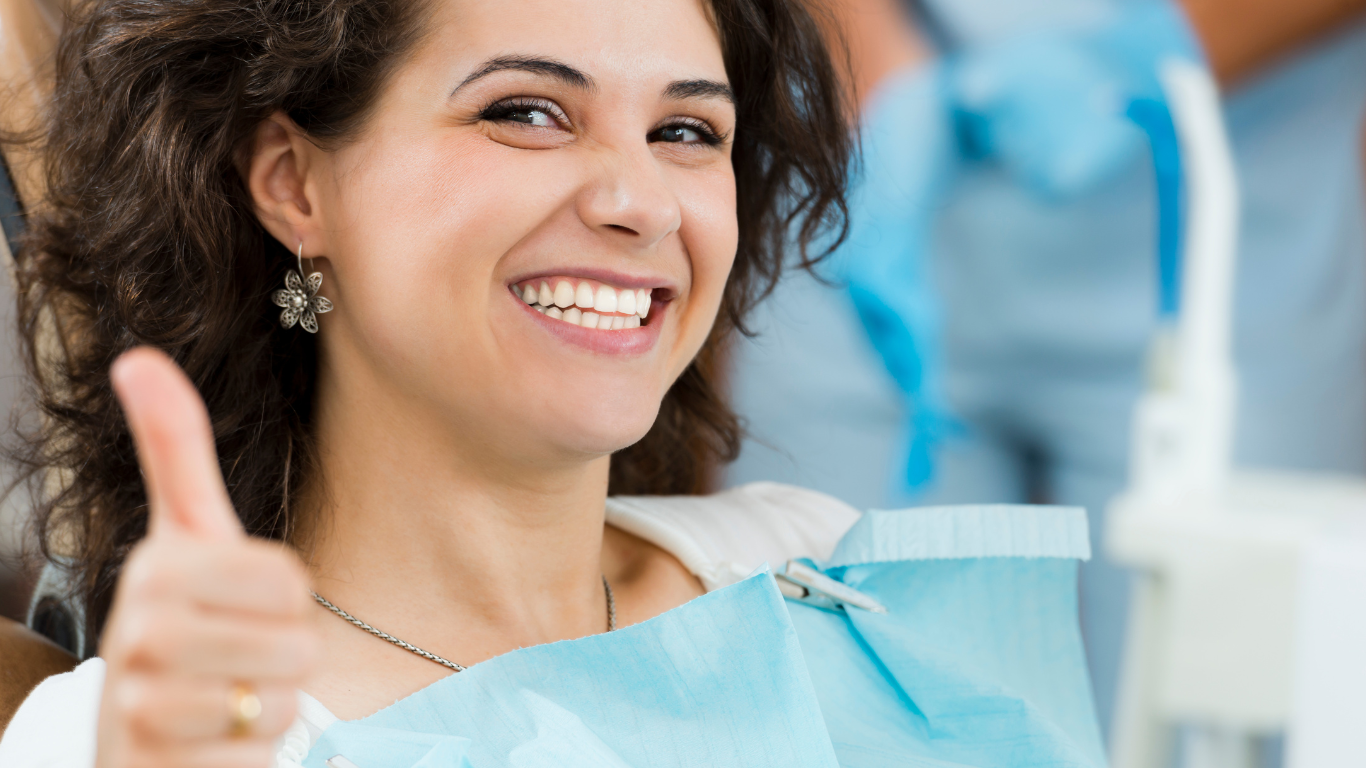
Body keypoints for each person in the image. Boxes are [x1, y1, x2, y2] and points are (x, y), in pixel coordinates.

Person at [0, 0, 1106, 766]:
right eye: (525, 111)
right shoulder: (151, 739)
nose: (641, 201)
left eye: (685, 129)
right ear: (295, 184)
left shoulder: (811, 565)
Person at [726, 0, 1366, 743]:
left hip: (1229, 252)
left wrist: (1157, 52)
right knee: (831, 711)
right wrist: (867, 68)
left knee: (1218, 711)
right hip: (863, 194)